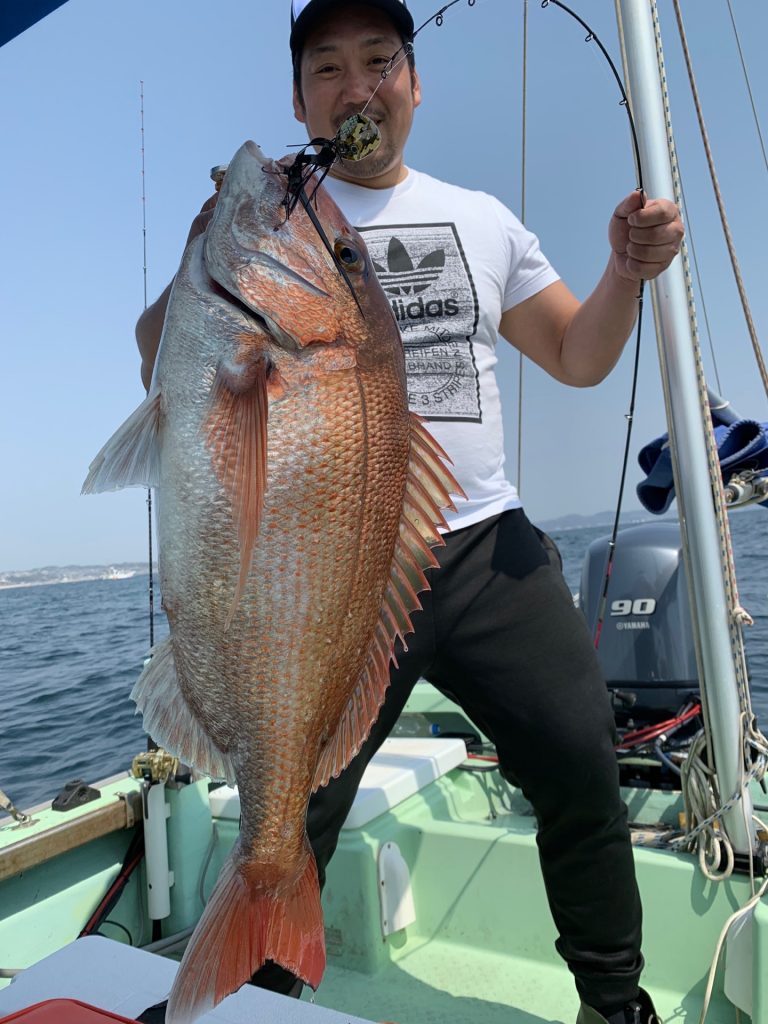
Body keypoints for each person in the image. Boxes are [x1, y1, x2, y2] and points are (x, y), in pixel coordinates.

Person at [135, 2, 683, 1021]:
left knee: (580, 766)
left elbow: (577, 354)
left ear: (415, 82)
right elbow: (159, 352)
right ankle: (245, 998)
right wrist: (207, 252)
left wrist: (623, 272)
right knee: (293, 802)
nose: (357, 87)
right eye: (328, 68)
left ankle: (615, 1001)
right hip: (326, 563)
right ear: (300, 99)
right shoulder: (265, 221)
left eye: (380, 61)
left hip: (484, 551)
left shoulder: (482, 218)